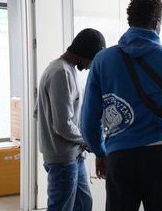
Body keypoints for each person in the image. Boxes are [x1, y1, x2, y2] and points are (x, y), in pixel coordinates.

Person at [80, 0, 162, 211]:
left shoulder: (102, 60)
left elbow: (89, 117)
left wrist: (99, 151)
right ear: (156, 22)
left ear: (130, 21)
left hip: (119, 158)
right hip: (159, 158)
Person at [33, 28, 106, 211]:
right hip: (62, 159)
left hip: (72, 154)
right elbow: (63, 125)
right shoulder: (60, 73)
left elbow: (37, 113)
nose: (91, 66)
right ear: (86, 52)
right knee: (61, 207)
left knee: (84, 204)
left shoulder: (66, 69)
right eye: (92, 60)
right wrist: (86, 140)